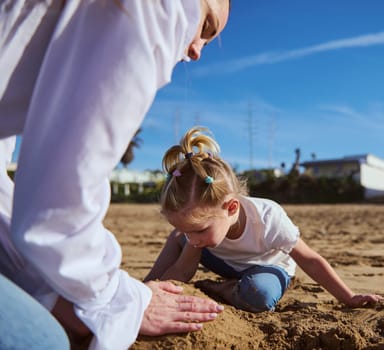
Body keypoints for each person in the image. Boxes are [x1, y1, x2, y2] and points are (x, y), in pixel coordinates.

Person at [0, 1, 230, 349]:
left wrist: (55, 293)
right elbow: (54, 212)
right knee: (41, 340)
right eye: (207, 26)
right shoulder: (162, 7)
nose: (196, 50)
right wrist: (121, 301)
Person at [145, 126, 383, 313]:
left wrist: (349, 297)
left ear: (231, 208)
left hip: (266, 268)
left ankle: (219, 288)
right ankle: (145, 285)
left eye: (198, 229)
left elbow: (310, 260)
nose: (193, 238)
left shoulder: (269, 219)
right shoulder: (197, 235)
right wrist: (150, 294)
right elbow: (183, 270)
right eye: (189, 230)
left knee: (259, 295)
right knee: (178, 239)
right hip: (224, 261)